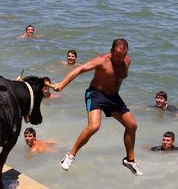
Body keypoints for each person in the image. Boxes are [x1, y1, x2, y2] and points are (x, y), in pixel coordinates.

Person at [48, 38, 143, 176]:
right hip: (96, 94)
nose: (119, 59)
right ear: (111, 52)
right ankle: (70, 156)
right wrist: (62, 84)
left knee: (132, 125)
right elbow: (79, 69)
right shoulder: (102, 60)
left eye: (123, 56)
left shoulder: (127, 61)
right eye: (116, 56)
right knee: (94, 126)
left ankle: (129, 160)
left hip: (113, 97)